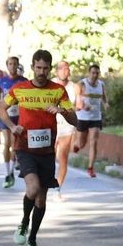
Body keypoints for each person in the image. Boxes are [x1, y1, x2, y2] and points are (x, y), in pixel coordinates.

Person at [4, 49, 78, 246]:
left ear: (50, 69)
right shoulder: (20, 89)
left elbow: (75, 121)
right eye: (38, 68)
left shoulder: (58, 91)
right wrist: (11, 126)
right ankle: (23, 222)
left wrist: (62, 111)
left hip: (46, 151)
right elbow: (2, 107)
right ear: (32, 67)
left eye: (46, 68)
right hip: (25, 147)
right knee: (33, 187)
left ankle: (33, 238)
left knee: (42, 199)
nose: (42, 72)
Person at [74, 62, 106, 178]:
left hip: (96, 117)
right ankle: (76, 145)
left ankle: (91, 168)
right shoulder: (82, 84)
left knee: (94, 142)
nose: (95, 75)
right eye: (93, 73)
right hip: (83, 117)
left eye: (97, 73)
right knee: (81, 144)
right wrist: (83, 106)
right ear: (89, 73)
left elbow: (104, 98)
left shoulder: (101, 85)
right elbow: (76, 102)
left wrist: (106, 104)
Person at [0, 56, 22, 187]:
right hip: (6, 115)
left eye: (15, 64)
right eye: (10, 64)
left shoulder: (23, 81)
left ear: (18, 66)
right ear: (7, 66)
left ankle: (11, 171)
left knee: (14, 143)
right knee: (7, 143)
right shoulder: (2, 80)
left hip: (18, 115)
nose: (12, 66)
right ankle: (7, 173)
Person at [52, 60, 78, 197]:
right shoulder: (50, 85)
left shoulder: (74, 87)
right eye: (61, 68)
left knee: (63, 158)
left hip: (66, 127)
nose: (64, 71)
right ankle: (45, 182)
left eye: (66, 69)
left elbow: (78, 106)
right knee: (48, 157)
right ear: (56, 71)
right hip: (51, 125)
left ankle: (58, 188)